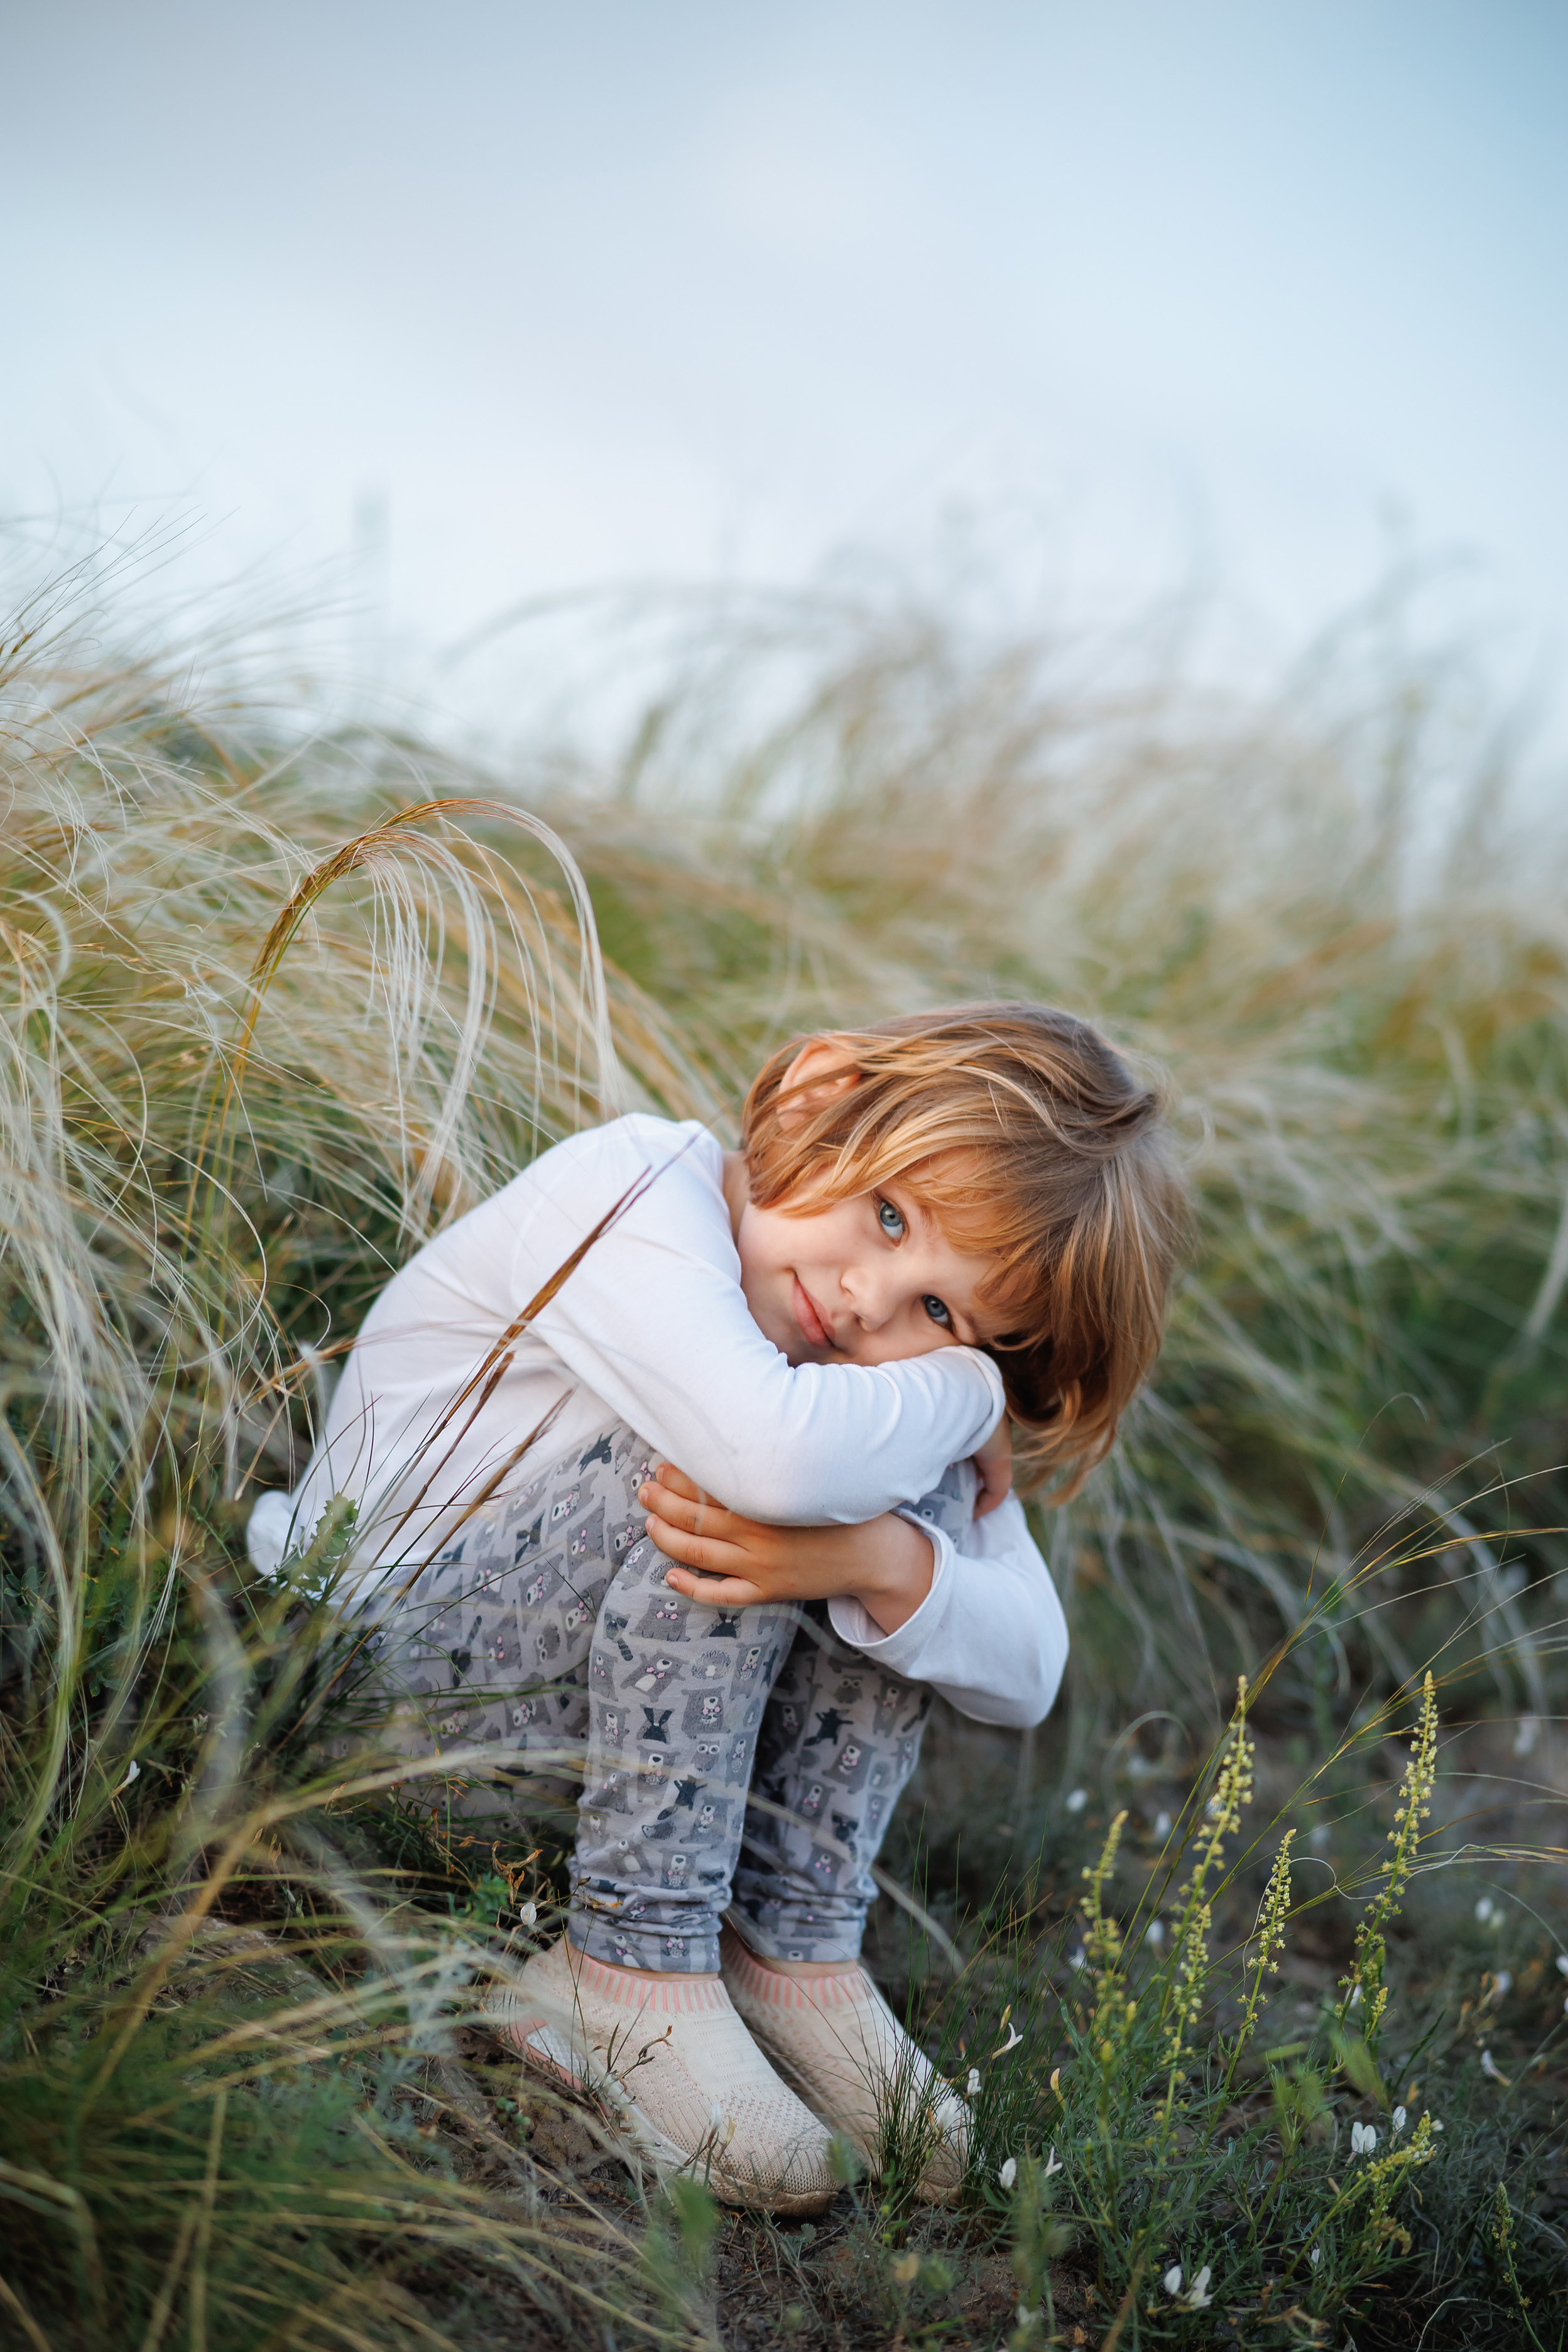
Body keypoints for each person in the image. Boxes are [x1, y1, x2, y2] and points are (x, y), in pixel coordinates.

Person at [248, 1002, 1184, 2215]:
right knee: (754, 1471)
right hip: (370, 1713)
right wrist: (963, 1387)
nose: (867, 1300)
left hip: (569, 1796)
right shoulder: (629, 1193)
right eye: (890, 1216)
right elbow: (769, 1461)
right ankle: (623, 1975)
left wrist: (891, 1560)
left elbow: (1030, 1668)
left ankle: (786, 1951)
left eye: (948, 1312)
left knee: (892, 1500)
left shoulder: (865, 1385)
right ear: (812, 1098)